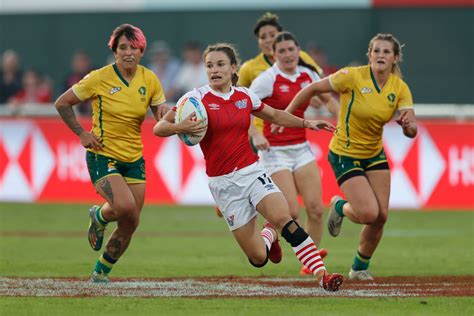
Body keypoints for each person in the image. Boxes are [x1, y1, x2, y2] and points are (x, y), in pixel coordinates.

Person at [153, 43, 343, 291]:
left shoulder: (244, 96)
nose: (214, 70)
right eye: (209, 65)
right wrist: (181, 127)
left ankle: (322, 276)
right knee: (258, 258)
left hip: (253, 171)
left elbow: (275, 115)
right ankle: (268, 237)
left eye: (220, 64)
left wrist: (308, 123)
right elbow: (159, 128)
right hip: (223, 184)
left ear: (233, 68)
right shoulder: (195, 99)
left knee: (285, 217)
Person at [285, 33, 418, 280]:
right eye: (376, 50)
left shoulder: (399, 87)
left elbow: (412, 130)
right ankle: (339, 206)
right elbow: (313, 88)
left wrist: (407, 126)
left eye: (386, 51)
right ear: (369, 55)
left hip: (374, 153)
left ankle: (359, 269)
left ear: (395, 58)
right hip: (344, 153)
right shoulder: (352, 76)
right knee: (368, 214)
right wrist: (288, 115)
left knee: (381, 217)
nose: (380, 55)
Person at [54, 24, 168, 283]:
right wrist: (82, 134)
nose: (128, 52)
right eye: (122, 47)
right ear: (114, 51)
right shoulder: (99, 77)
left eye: (134, 48)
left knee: (131, 222)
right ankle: (99, 215)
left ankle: (100, 272)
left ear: (142, 51)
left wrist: (177, 121)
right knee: (125, 206)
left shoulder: (149, 79)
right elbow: (62, 103)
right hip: (103, 155)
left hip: (134, 159)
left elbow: (161, 115)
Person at [249, 32, 338, 276]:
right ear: (273, 55)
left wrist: (340, 119)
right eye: (282, 51)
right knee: (291, 212)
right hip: (274, 152)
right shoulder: (267, 79)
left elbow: (327, 99)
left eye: (291, 49)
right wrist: (256, 135)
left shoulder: (308, 75)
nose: (288, 55)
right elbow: (242, 106)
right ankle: (272, 234)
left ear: (299, 50)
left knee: (317, 209)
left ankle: (309, 266)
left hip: (301, 148)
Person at [63, 50, 94, 116]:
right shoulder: (69, 79)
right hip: (76, 110)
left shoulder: (94, 75)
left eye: (83, 61)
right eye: (78, 61)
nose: (80, 64)